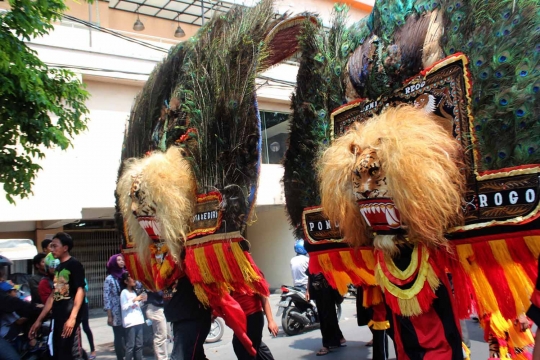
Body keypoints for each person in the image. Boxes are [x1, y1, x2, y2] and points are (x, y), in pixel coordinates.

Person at [29, 232, 87, 360]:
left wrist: (72, 318)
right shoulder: (59, 267)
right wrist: (38, 320)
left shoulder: (74, 264)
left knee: (73, 354)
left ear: (65, 248)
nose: (52, 249)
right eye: (51, 246)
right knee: (59, 354)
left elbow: (80, 290)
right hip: (58, 317)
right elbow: (53, 295)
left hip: (69, 319)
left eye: (55, 246)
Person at [165, 275, 212, 360]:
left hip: (191, 318)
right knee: (196, 356)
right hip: (180, 318)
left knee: (182, 356)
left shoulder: (187, 267)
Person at [306, 271, 345, 356]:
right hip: (319, 293)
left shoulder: (325, 260)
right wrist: (308, 290)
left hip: (328, 291)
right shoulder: (313, 260)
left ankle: (326, 345)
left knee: (326, 318)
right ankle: (339, 338)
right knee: (329, 317)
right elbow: (309, 276)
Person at [0, 280, 42, 360]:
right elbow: (19, 321)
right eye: (13, 291)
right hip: (7, 335)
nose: (15, 293)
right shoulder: (7, 308)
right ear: (7, 293)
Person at [231, 290, 278, 360]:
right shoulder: (230, 280)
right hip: (240, 319)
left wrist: (271, 321)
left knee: (246, 348)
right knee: (254, 346)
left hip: (253, 317)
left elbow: (264, 298)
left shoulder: (253, 279)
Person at [103, 254, 126, 360]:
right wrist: (109, 315)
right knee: (118, 335)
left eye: (122, 260)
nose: (122, 262)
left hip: (127, 310)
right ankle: (120, 357)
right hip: (116, 311)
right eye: (119, 260)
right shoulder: (109, 279)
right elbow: (106, 297)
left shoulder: (126, 275)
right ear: (113, 263)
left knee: (127, 334)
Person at [120, 272, 146, 360]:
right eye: (130, 277)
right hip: (130, 322)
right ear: (126, 281)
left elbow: (137, 306)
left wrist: (142, 301)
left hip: (139, 320)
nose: (133, 279)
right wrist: (134, 300)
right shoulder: (124, 292)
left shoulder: (134, 292)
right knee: (130, 346)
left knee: (139, 345)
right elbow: (124, 307)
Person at [146, 291, 169, 360]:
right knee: (160, 337)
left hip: (159, 308)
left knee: (164, 336)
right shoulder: (155, 281)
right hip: (155, 308)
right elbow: (159, 292)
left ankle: (161, 358)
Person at [81, 279, 96, 359]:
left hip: (83, 304)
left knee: (86, 328)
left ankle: (92, 350)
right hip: (71, 304)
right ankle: (78, 350)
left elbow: (86, 288)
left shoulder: (81, 275)